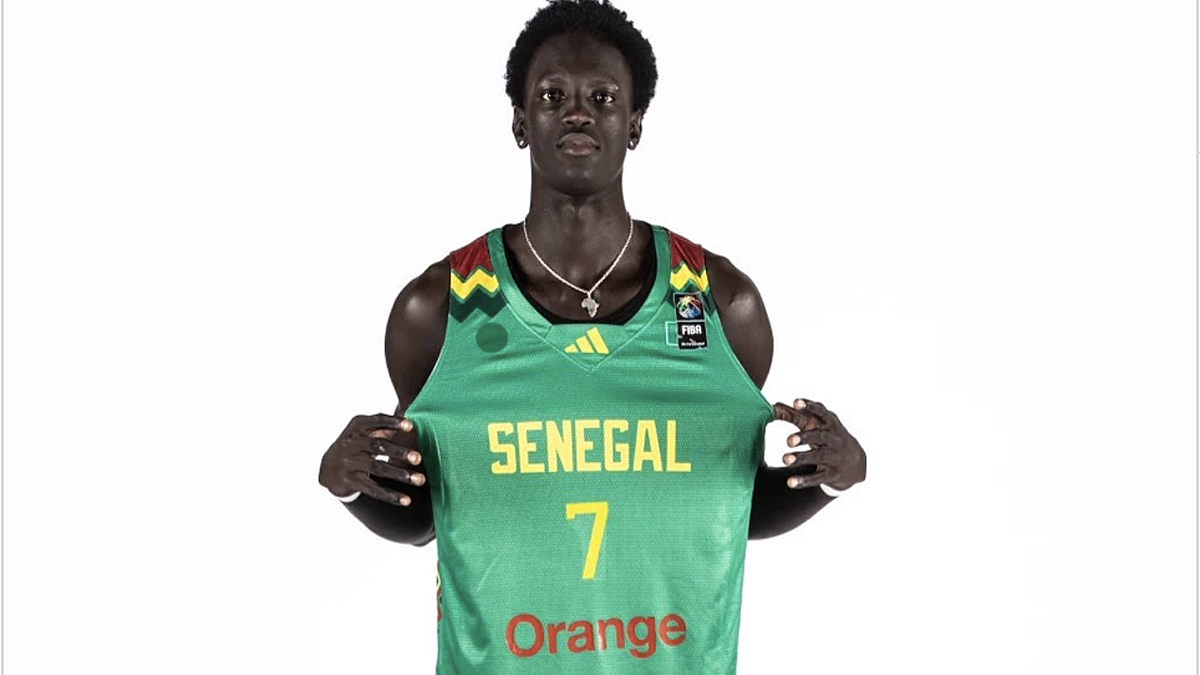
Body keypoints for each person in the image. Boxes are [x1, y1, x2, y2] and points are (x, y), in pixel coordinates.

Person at [318, 1, 867, 672]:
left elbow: (729, 506)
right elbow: (431, 514)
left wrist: (828, 479)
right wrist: (350, 485)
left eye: (602, 98)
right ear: (520, 122)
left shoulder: (720, 302)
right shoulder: (439, 308)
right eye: (553, 96)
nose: (577, 113)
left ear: (633, 124)